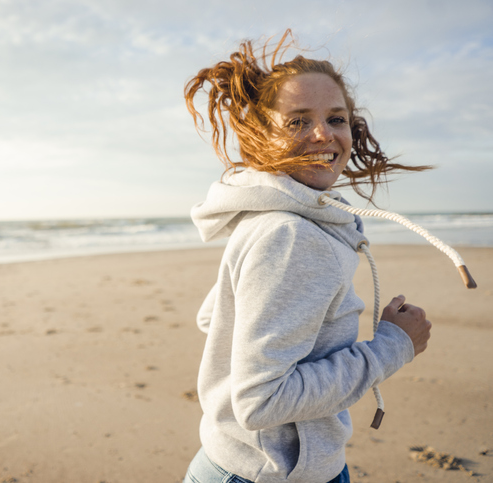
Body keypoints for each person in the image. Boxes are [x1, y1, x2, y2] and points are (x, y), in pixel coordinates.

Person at [183, 32, 432, 483]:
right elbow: (261, 401)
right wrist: (393, 346)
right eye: (298, 121)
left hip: (237, 463)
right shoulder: (291, 233)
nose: (323, 134)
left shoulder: (280, 217)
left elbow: (215, 318)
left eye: (336, 118)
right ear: (264, 135)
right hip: (265, 474)